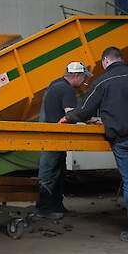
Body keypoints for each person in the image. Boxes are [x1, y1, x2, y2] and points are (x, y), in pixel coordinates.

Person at [60, 47, 128, 242]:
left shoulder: (103, 81)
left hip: (123, 139)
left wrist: (68, 117)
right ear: (121, 59)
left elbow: (85, 110)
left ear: (105, 61)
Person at [36, 61, 91, 219]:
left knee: (56, 172)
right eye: (83, 77)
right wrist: (92, 119)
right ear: (76, 76)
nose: (84, 81)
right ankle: (45, 209)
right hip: (54, 138)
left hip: (51, 135)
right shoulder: (66, 90)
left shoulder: (55, 84)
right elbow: (71, 114)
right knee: (50, 173)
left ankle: (56, 206)